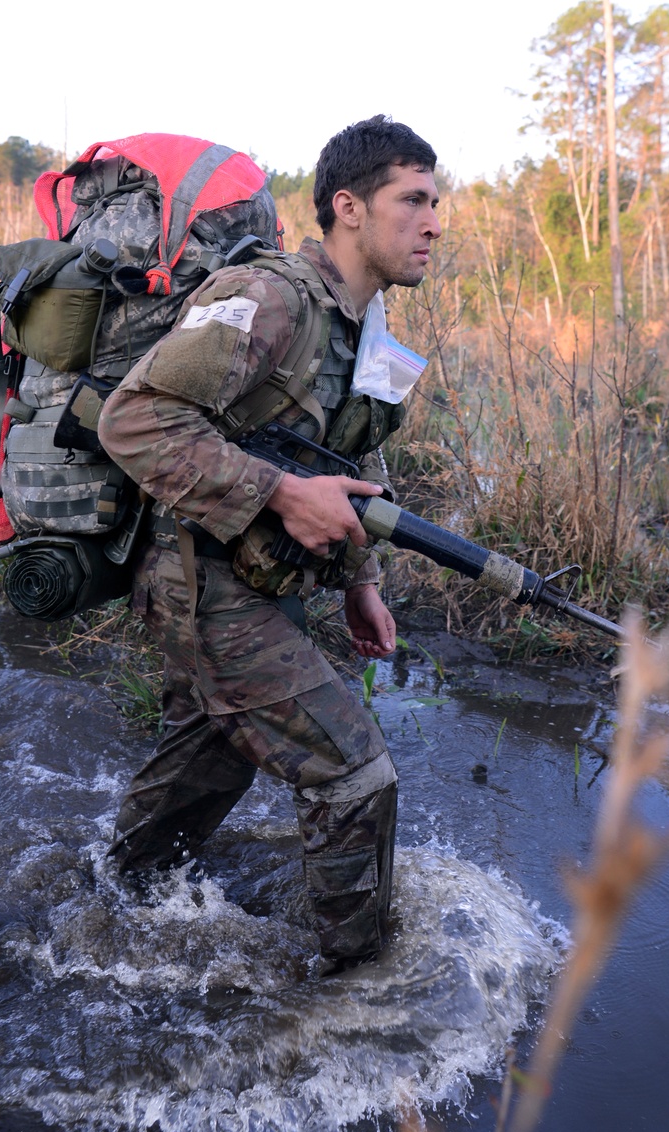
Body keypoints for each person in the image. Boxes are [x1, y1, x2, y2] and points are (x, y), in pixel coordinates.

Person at [97, 115, 441, 974]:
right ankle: (354, 994)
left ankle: (109, 900)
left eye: (438, 202)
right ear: (349, 208)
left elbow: (346, 465)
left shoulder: (375, 334)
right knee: (354, 773)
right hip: (193, 577)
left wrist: (360, 578)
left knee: (211, 761)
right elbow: (132, 420)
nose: (435, 222)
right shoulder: (270, 297)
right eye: (414, 201)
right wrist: (282, 493)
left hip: (253, 581)